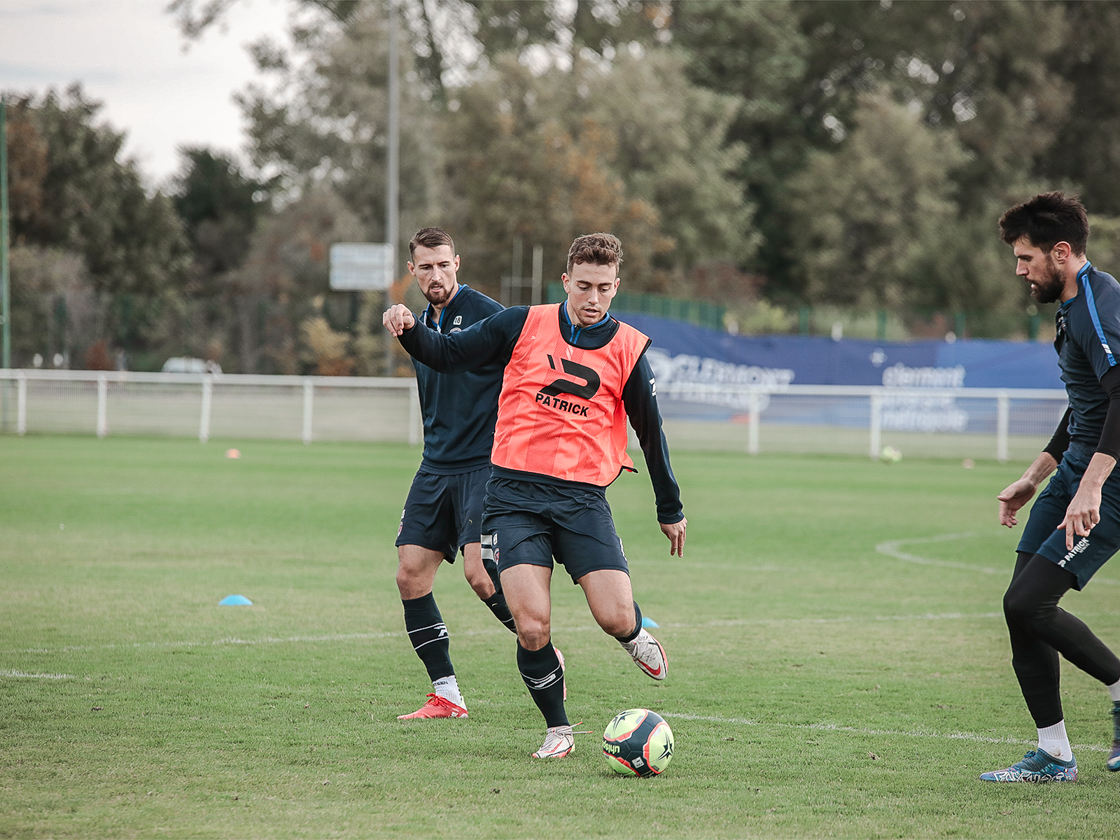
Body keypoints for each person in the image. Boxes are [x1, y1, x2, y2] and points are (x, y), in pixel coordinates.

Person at [383, 232, 687, 758]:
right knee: (531, 624)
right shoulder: (521, 323)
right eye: (583, 286)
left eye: (604, 288)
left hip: (582, 501)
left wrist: (669, 507)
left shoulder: (628, 349)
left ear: (617, 287)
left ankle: (634, 633)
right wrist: (409, 330)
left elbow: (650, 431)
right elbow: (450, 354)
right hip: (512, 497)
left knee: (613, 616)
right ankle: (559, 730)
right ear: (566, 282)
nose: (592, 299)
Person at [984, 192, 1120, 782]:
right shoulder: (1072, 305)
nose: (1020, 271)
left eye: (1025, 258)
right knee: (1021, 610)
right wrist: (1033, 477)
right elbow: (1084, 405)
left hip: (1110, 482)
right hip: (1073, 475)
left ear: (1061, 253)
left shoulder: (1097, 308)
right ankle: (1055, 754)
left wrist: (1090, 487)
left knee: (1028, 602)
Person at [392, 227, 526, 720]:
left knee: (481, 573)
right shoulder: (416, 322)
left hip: (485, 464)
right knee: (410, 575)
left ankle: (538, 645)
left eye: (443, 264)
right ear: (413, 271)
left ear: (457, 264)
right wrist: (402, 320)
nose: (435, 274)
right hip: (435, 465)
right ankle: (447, 694)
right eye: (425, 267)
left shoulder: (488, 314)